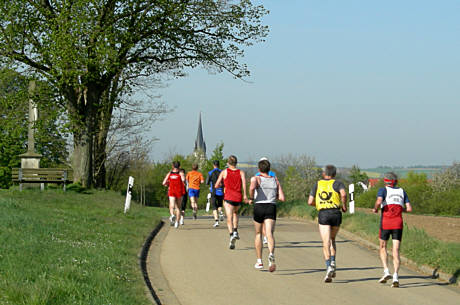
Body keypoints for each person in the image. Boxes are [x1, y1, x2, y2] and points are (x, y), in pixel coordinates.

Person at [308, 165, 347, 282]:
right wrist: (344, 205)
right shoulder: (338, 183)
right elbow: (344, 194)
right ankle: (334, 261)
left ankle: (328, 266)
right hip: (336, 213)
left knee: (326, 242)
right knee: (333, 239)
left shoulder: (317, 184)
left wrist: (319, 205)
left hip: (323, 213)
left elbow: (310, 201)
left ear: (324, 174)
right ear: (334, 174)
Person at [372, 172, 412, 288]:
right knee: (396, 250)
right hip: (398, 223)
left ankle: (386, 271)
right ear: (395, 181)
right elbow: (409, 208)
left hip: (386, 223)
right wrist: (400, 210)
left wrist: (375, 209)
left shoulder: (383, 190)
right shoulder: (402, 191)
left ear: (386, 181)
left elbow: (379, 201)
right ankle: (396, 276)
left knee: (383, 247)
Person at [249, 159, 285, 272]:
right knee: (269, 233)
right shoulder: (275, 180)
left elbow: (251, 188)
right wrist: (275, 194)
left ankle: (259, 261)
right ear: (269, 169)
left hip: (259, 206)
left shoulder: (257, 179)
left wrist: (251, 198)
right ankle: (271, 254)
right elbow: (282, 198)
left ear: (259, 169)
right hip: (271, 207)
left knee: (258, 233)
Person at [215, 155, 248, 249]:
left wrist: (221, 184)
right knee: (235, 214)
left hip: (228, 197)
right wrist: (245, 195)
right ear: (236, 163)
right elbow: (244, 184)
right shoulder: (241, 172)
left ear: (228, 163)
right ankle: (235, 230)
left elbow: (216, 185)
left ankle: (231, 235)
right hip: (238, 197)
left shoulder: (224, 172)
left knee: (229, 218)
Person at [255, 157, 276, 245]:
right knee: (269, 223)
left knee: (262, 222)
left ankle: (265, 236)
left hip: (260, 201)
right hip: (271, 201)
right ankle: (267, 236)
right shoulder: (273, 174)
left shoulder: (258, 174)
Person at [162, 161, 186, 228]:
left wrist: (168, 183)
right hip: (179, 191)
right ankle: (177, 222)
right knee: (178, 207)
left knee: (171, 205)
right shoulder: (180, 173)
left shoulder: (170, 173)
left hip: (172, 191)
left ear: (172, 166)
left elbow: (163, 183)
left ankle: (172, 215)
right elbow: (183, 180)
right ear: (179, 166)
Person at [206, 160, 225, 228]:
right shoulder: (222, 172)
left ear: (213, 165)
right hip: (221, 191)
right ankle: (221, 212)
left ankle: (216, 221)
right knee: (220, 204)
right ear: (219, 165)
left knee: (214, 207)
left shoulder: (210, 172)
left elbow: (207, 182)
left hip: (213, 191)